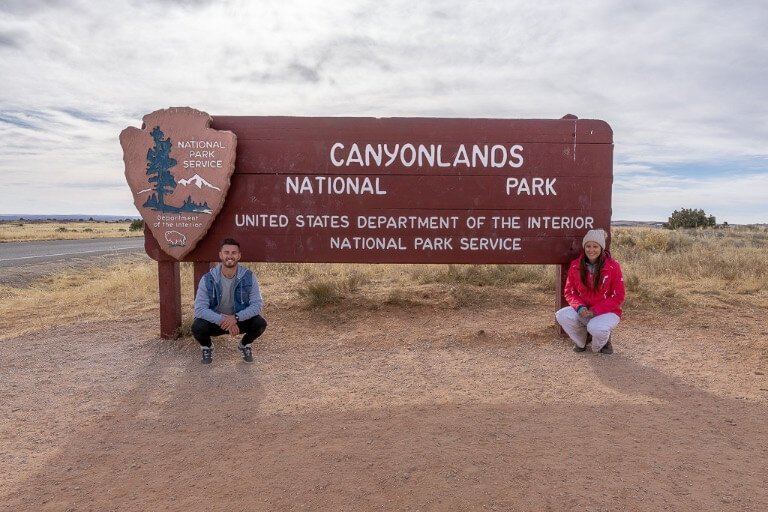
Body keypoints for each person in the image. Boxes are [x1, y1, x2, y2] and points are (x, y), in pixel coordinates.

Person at [192, 238, 267, 364]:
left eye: (234, 253)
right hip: (217, 321)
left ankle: (245, 344)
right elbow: (200, 309)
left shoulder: (249, 277)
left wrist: (236, 318)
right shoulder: (207, 279)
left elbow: (257, 305)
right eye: (226, 252)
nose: (230, 256)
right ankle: (207, 347)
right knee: (198, 326)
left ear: (239, 256)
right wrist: (224, 320)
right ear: (220, 255)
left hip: (239, 320)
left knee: (260, 323)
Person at [555, 228, 625, 354]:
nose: (591, 250)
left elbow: (619, 296)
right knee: (562, 315)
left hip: (607, 312)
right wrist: (580, 307)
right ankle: (581, 341)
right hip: (585, 310)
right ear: (584, 247)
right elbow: (569, 292)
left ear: (601, 248)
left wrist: (595, 310)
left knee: (596, 328)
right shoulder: (575, 265)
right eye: (588, 246)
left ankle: (602, 344)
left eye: (595, 246)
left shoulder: (613, 266)